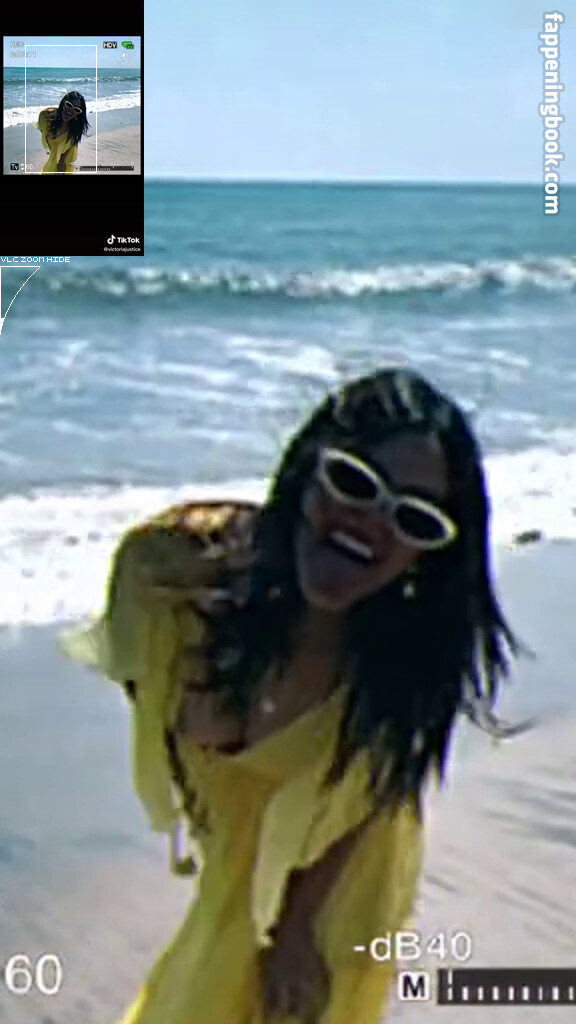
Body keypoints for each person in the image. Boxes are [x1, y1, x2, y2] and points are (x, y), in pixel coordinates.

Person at [61, 367, 520, 1024]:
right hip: (235, 859)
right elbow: (144, 682)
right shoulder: (166, 578)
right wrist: (201, 797)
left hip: (343, 873)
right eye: (355, 482)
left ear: (424, 555)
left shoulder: (394, 668)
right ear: (310, 468)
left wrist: (297, 926)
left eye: (414, 518)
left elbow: (374, 798)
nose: (371, 523)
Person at [35, 91, 90, 174]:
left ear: (78, 114)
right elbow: (42, 129)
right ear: (63, 103)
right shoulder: (45, 117)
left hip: (67, 155)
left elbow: (71, 145)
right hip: (53, 155)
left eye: (76, 109)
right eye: (69, 105)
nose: (71, 110)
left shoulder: (73, 130)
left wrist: (62, 159)